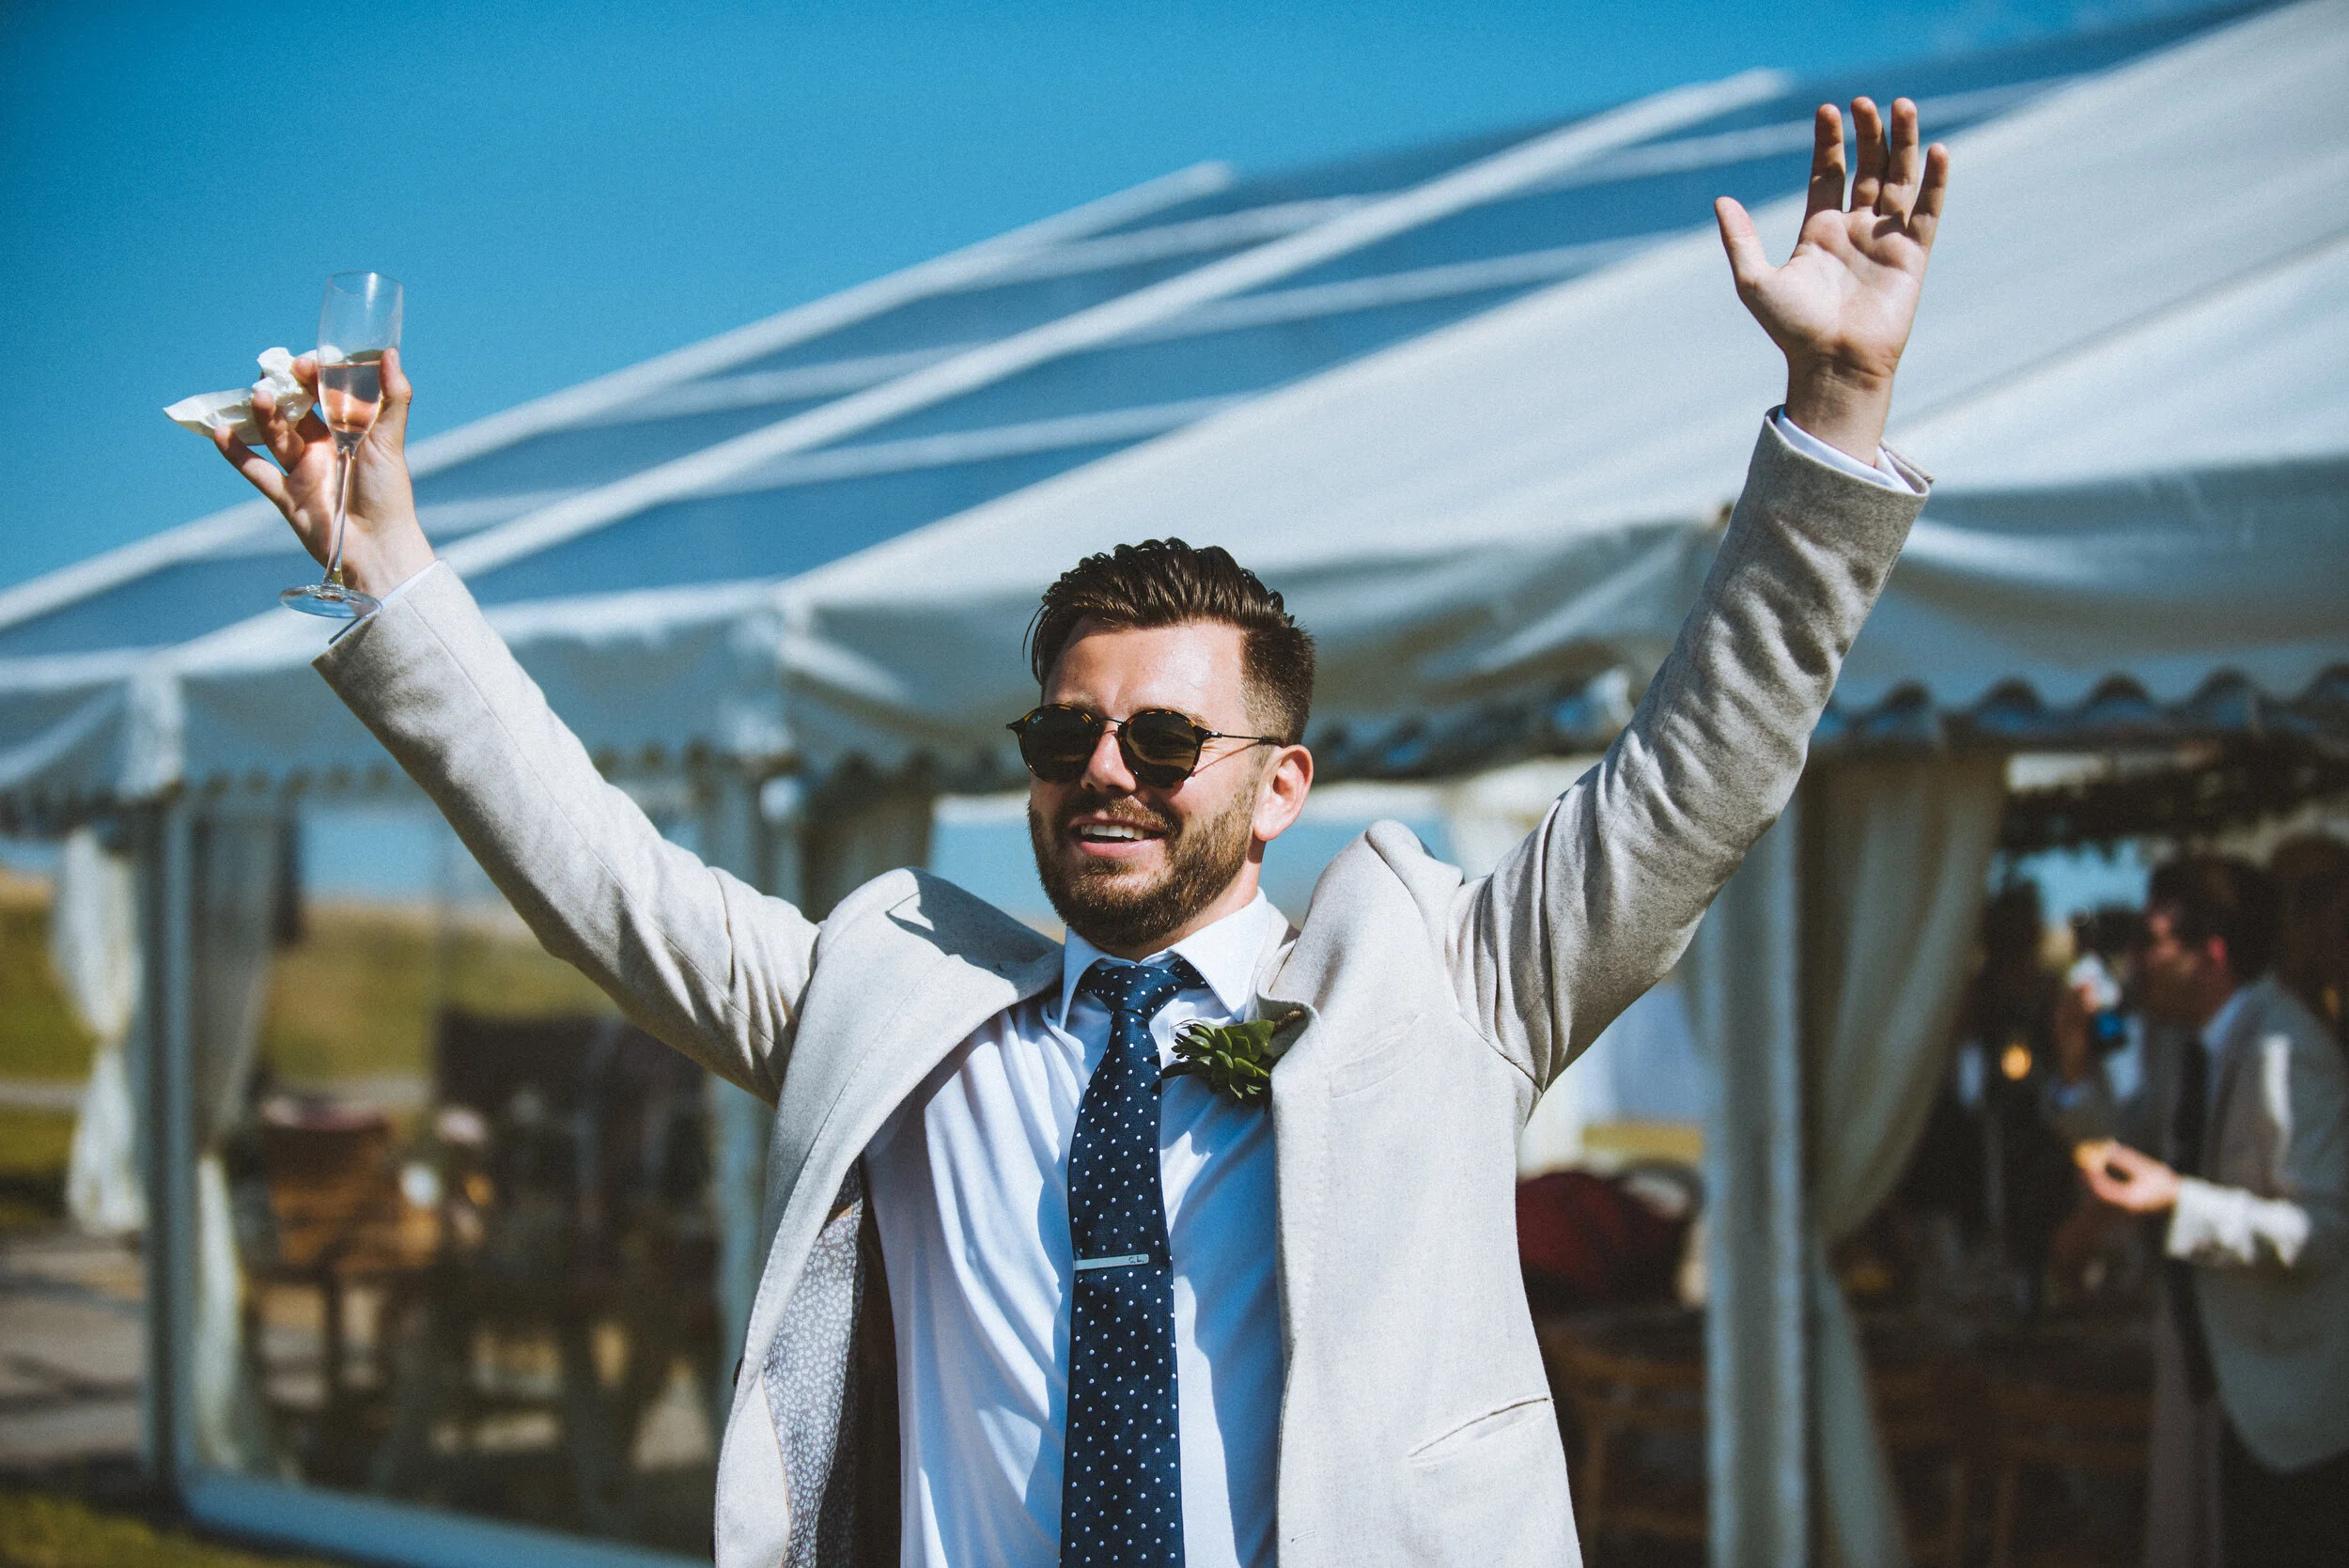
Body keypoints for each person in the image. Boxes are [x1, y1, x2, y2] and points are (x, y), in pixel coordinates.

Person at [216, 101, 1947, 1568]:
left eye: (1170, 735)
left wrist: (1836, 421)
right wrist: (387, 572)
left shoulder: (1450, 984)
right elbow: (594, 865)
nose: (1107, 766)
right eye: (1067, 731)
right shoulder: (887, 1009)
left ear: (1282, 782)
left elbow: (1698, 769)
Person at [2066, 858, 2349, 1568]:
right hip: (2212, 1393)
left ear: (2211, 954)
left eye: (2152, 939)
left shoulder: (2286, 1049)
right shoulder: (2184, 1045)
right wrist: (2075, 1064)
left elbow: (2325, 1230)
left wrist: (2179, 1201)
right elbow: (2126, 1144)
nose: (2136, 958)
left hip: (2286, 1413)